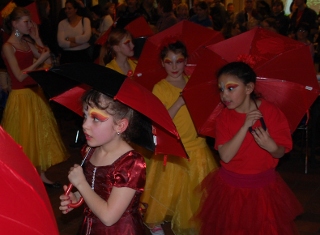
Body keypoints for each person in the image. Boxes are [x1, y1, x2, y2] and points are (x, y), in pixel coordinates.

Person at [195, 61, 303, 234]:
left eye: (231, 88)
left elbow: (281, 151)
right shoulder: (224, 117)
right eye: (221, 89)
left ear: (249, 88)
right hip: (231, 188)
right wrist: (244, 126)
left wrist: (271, 146)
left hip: (263, 187)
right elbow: (226, 156)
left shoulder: (271, 112)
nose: (224, 95)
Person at [141, 41, 218, 235]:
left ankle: (191, 221)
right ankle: (155, 222)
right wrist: (180, 101)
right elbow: (161, 119)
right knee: (167, 188)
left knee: (194, 193)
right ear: (162, 63)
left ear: (186, 62)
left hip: (197, 145)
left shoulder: (193, 84)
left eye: (179, 61)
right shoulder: (160, 87)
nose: (174, 67)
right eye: (169, 62)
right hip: (174, 146)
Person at [59, 89, 146, 234]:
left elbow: (109, 217)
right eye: (85, 116)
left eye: (96, 119)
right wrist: (78, 197)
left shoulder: (131, 163)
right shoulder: (90, 151)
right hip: (91, 227)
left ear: (120, 126)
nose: (85, 125)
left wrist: (81, 183)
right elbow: (97, 190)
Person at [1, 6, 68, 187]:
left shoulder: (27, 42)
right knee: (25, 140)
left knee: (39, 138)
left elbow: (48, 61)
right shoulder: (8, 46)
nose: (30, 25)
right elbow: (20, 75)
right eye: (26, 21)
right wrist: (38, 60)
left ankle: (41, 175)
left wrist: (37, 38)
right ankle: (26, 178)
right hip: (21, 97)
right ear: (14, 24)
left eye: (30, 21)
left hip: (34, 94)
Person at [57, 0, 92, 64]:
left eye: (69, 8)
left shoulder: (85, 20)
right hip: (67, 57)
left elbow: (86, 37)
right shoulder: (62, 23)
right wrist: (80, 42)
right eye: (66, 9)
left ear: (75, 10)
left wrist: (69, 39)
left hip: (83, 56)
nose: (67, 11)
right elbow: (61, 43)